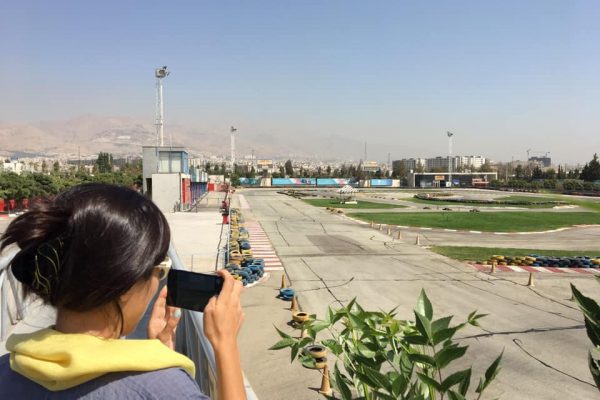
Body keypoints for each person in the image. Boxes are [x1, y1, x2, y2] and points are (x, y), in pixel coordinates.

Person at [0, 183, 246, 399]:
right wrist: (225, 344)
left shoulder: (7, 369)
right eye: (159, 270)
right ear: (124, 284)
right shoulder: (164, 389)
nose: (155, 284)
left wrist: (156, 353)